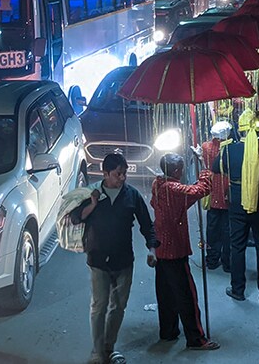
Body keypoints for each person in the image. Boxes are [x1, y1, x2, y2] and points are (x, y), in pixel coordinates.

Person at [70, 153, 159, 364]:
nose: (122, 178)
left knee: (118, 306)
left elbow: (147, 225)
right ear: (106, 173)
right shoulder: (92, 193)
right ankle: (97, 352)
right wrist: (92, 204)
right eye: (118, 174)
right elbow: (75, 218)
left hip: (123, 260)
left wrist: (152, 249)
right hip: (98, 260)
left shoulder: (132, 195)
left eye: (124, 174)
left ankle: (109, 349)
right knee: (99, 306)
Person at [150, 153, 220, 351]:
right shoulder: (174, 188)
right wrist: (204, 165)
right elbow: (203, 188)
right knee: (186, 296)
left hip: (161, 247)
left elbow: (170, 203)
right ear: (177, 171)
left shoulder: (158, 184)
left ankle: (168, 331)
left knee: (165, 295)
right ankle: (196, 338)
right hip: (175, 250)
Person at [212, 109, 259, 303]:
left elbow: (215, 168)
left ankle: (238, 289)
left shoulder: (228, 149)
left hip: (236, 204)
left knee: (237, 246)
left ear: (240, 130)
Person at [193, 120, 233, 272]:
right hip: (227, 189)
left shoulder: (206, 146)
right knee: (228, 229)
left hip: (212, 190)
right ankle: (228, 262)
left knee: (212, 228)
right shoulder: (230, 149)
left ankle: (211, 259)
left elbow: (203, 163)